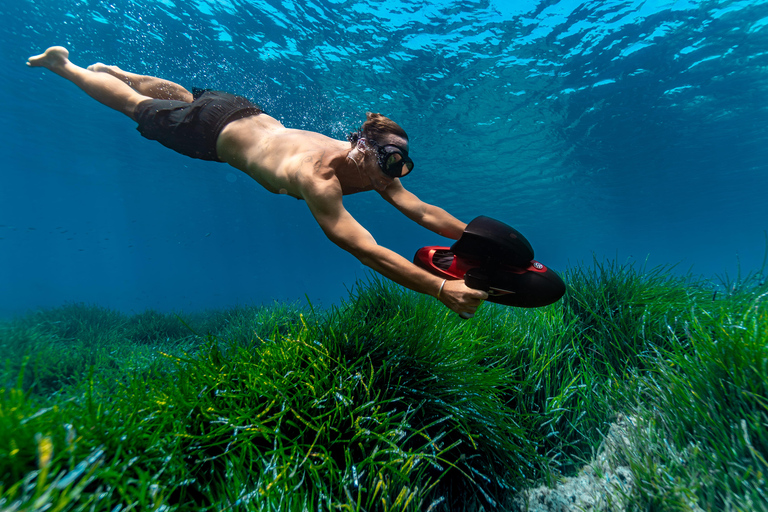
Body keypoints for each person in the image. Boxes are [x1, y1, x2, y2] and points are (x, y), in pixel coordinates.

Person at [27, 46, 488, 318]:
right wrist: (441, 288)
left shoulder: (372, 167)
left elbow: (423, 211)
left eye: (402, 165)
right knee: (133, 106)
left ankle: (123, 72)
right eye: (390, 160)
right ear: (363, 147)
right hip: (211, 132)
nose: (395, 173)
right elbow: (366, 250)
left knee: (186, 96)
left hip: (239, 108)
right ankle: (65, 66)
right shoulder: (319, 177)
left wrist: (476, 239)